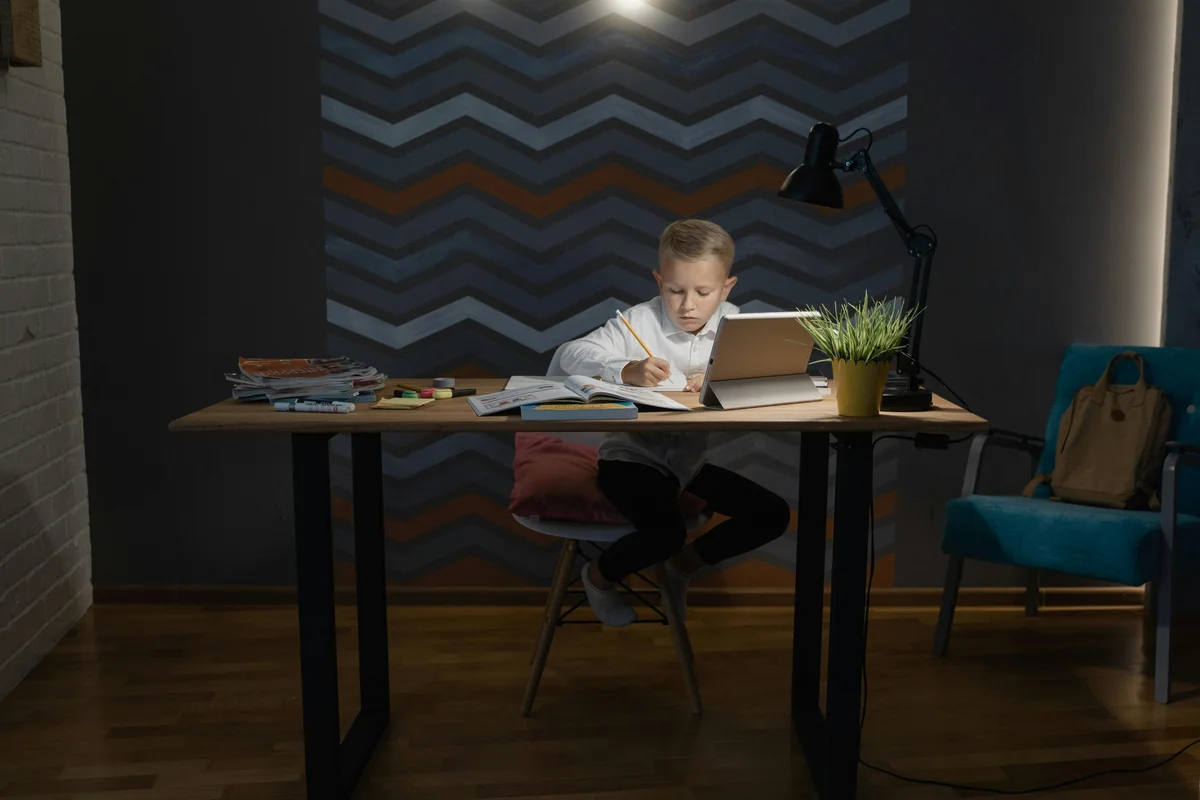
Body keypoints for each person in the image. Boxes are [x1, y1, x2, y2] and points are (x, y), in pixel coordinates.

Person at [555, 219, 792, 625]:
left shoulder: (734, 322)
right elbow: (569, 355)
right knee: (665, 533)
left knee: (771, 514)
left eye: (704, 292)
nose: (687, 305)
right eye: (674, 290)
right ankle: (596, 578)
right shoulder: (637, 321)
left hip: (687, 466)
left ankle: (683, 567)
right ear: (658, 280)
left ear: (727, 287)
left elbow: (769, 375)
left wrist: (725, 378)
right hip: (629, 460)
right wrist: (624, 367)